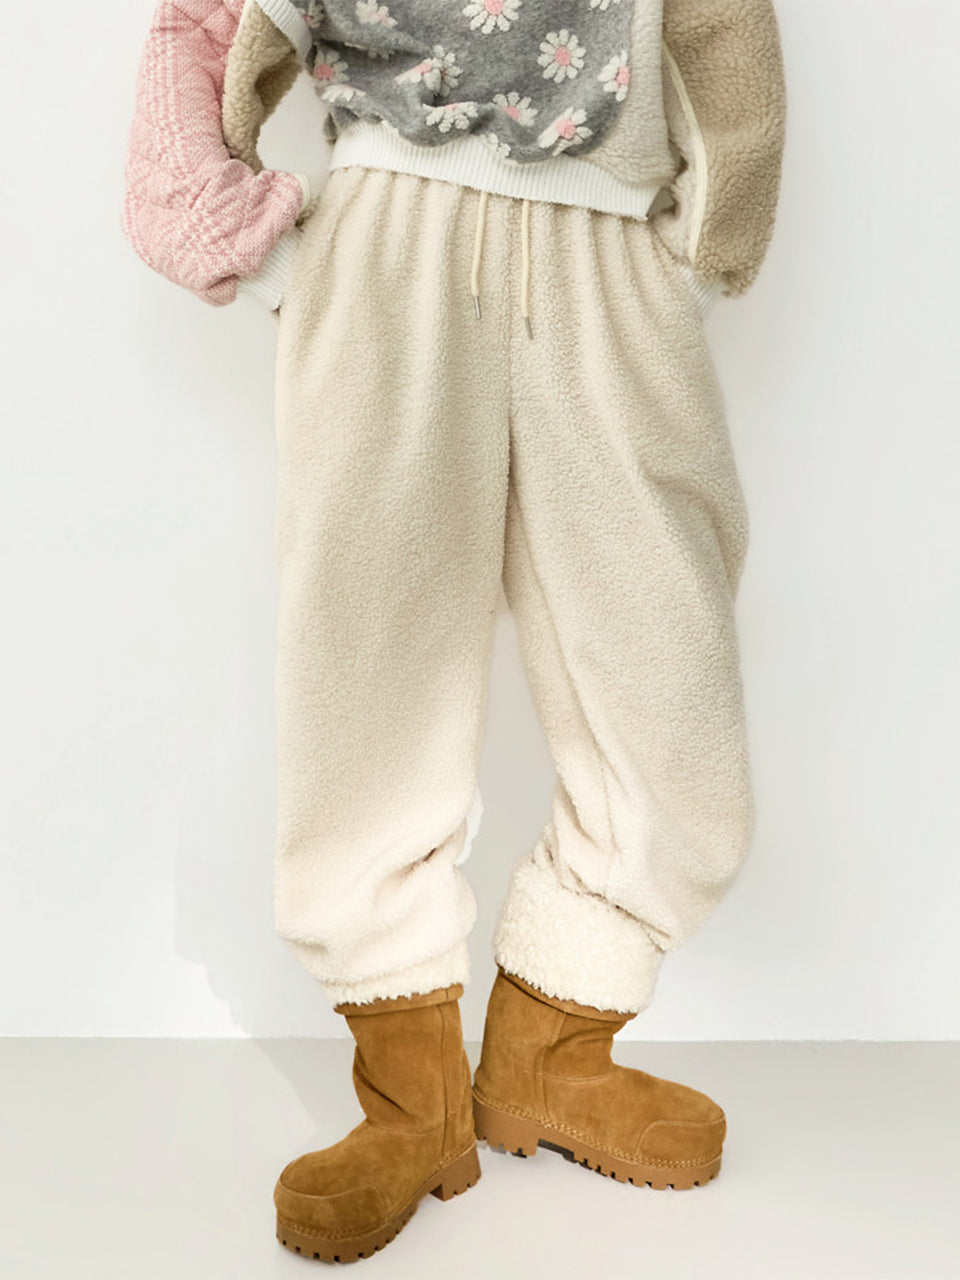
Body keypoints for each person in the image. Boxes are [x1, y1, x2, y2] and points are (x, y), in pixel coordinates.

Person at [122, 0, 787, 1263]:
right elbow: (200, 28)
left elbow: (722, 27)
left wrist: (703, 253)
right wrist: (252, 247)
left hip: (609, 255)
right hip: (387, 246)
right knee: (366, 663)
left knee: (671, 669)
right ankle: (411, 1096)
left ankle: (551, 1046)